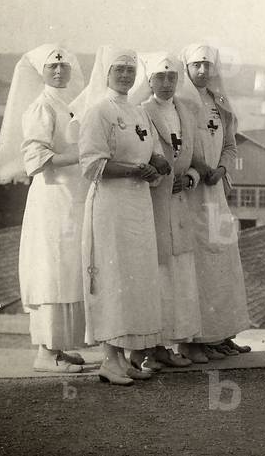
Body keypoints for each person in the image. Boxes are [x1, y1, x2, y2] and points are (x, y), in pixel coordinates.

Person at [74, 47, 170, 386]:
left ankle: (126, 356)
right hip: (111, 207)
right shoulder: (98, 111)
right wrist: (133, 170)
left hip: (139, 205)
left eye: (131, 71)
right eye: (120, 70)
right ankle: (108, 359)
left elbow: (153, 150)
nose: (126, 77)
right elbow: (91, 165)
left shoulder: (140, 113)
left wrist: (159, 163)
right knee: (113, 280)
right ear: (106, 74)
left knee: (136, 279)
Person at [0, 44, 88, 373]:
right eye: (52, 68)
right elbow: (35, 161)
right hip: (52, 199)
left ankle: (59, 347)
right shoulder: (40, 107)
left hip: (74, 197)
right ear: (42, 73)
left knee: (70, 270)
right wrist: (82, 155)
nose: (60, 72)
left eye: (64, 67)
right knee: (52, 270)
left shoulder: (72, 105)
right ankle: (45, 353)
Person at [176, 44, 253, 360]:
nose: (203, 71)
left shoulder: (219, 101)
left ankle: (222, 333)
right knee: (198, 265)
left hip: (215, 191)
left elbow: (231, 144)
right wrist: (203, 167)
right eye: (197, 65)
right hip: (193, 192)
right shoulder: (179, 102)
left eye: (208, 65)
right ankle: (196, 338)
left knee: (223, 261)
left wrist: (220, 169)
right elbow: (178, 142)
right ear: (187, 68)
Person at [131, 52, 204, 368]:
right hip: (154, 203)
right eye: (159, 77)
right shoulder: (141, 112)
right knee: (158, 274)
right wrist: (163, 178)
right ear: (148, 81)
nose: (166, 83)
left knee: (180, 276)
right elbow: (141, 156)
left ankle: (173, 343)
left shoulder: (186, 112)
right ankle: (151, 345)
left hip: (180, 204)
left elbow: (197, 158)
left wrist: (190, 178)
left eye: (172, 77)